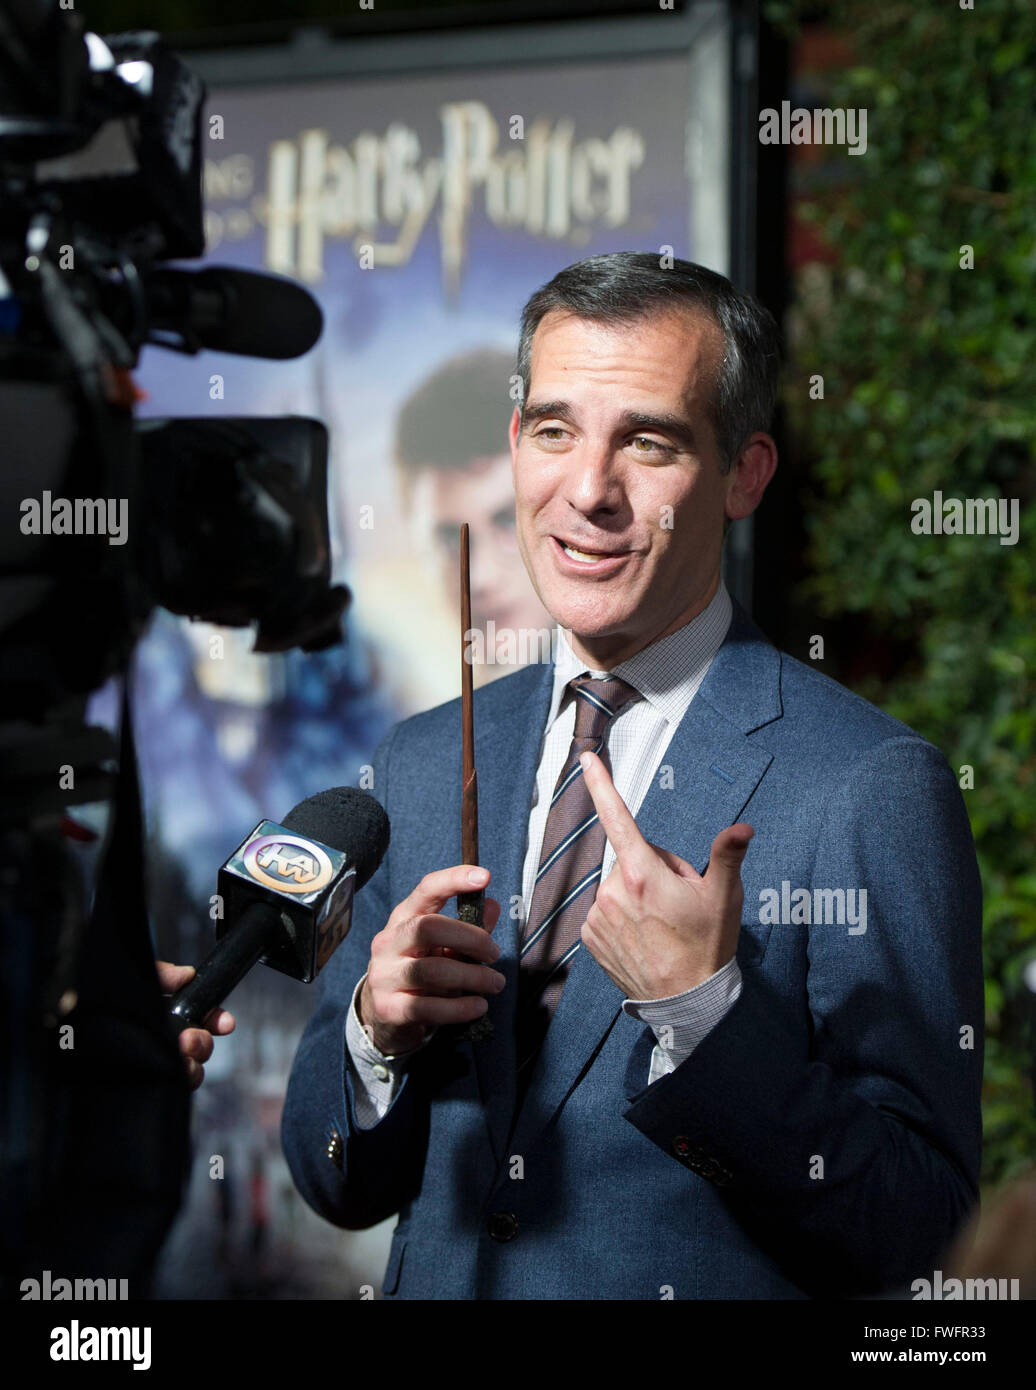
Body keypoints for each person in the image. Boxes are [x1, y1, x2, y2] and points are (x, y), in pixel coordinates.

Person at [282, 252, 984, 1300]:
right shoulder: (424, 759)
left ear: (744, 473)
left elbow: (920, 1236)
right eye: (556, 431)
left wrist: (704, 1016)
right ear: (516, 445)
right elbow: (338, 1182)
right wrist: (373, 1036)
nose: (589, 492)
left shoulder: (868, 786)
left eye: (647, 442)